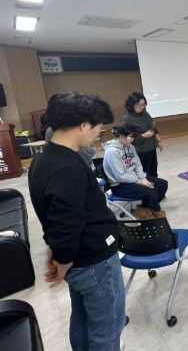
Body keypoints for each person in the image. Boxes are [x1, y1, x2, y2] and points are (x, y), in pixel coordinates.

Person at [28, 92, 125, 350]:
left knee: (82, 319)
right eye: (97, 128)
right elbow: (66, 222)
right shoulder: (67, 167)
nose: (98, 135)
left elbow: (53, 214)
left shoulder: (44, 158)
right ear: (83, 125)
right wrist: (63, 258)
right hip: (94, 261)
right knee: (107, 329)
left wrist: (57, 250)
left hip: (80, 261)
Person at [103, 124, 168, 220]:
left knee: (162, 184)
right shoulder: (112, 152)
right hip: (120, 185)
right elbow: (120, 176)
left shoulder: (130, 147)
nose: (132, 140)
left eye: (133, 137)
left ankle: (144, 207)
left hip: (134, 178)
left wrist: (142, 178)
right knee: (150, 192)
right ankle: (156, 212)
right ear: (121, 135)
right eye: (130, 137)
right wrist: (140, 181)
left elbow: (137, 164)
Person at [122, 92, 163, 177]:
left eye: (144, 105)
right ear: (132, 104)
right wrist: (144, 135)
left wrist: (158, 140)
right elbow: (128, 138)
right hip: (141, 152)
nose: (142, 107)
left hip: (151, 148)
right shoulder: (127, 119)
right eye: (140, 105)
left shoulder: (144, 113)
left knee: (154, 173)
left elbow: (153, 127)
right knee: (145, 175)